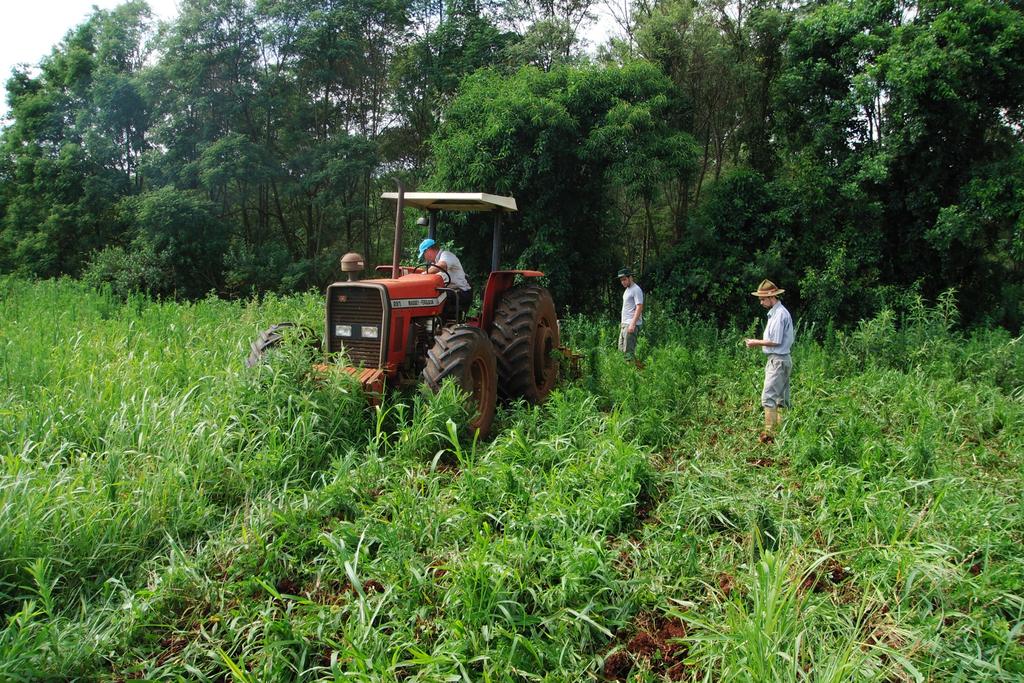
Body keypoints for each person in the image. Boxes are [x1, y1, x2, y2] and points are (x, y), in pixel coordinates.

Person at [744, 279, 794, 443]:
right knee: (780, 399)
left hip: (778, 361)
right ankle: (780, 434)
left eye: (763, 299)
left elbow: (776, 341)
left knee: (769, 397)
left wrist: (755, 342)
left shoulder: (779, 314)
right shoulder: (776, 313)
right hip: (780, 359)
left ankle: (769, 435)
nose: (761, 302)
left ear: (772, 297)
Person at [418, 238, 472, 317]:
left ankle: (436, 322)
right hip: (453, 291)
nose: (424, 258)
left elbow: (442, 265)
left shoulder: (446, 255)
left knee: (438, 296)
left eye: (424, 254)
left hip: (462, 293)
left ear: (429, 250)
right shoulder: (436, 262)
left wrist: (425, 273)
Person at [617, 267, 644, 361]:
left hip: (630, 324)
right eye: (621, 280)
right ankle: (626, 372)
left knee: (628, 353)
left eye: (624, 279)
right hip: (625, 324)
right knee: (621, 351)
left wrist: (632, 324)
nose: (623, 282)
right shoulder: (627, 290)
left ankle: (633, 373)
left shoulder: (636, 289)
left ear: (630, 277)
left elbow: (639, 307)